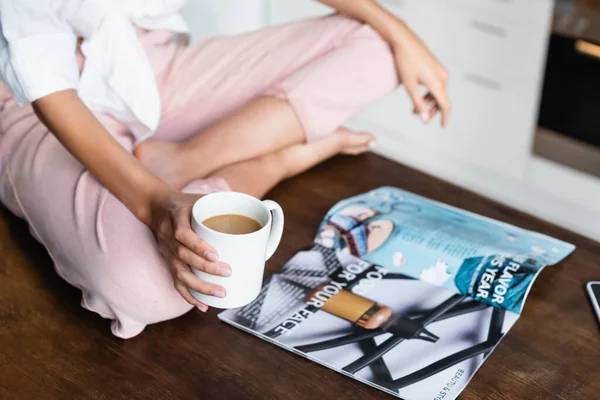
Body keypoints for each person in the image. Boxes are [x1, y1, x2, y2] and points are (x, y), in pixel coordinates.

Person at [0, 0, 450, 338]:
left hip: (149, 60)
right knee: (150, 287)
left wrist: (399, 31)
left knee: (376, 43)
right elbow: (42, 78)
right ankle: (274, 161)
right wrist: (157, 204)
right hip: (37, 107)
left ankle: (188, 160)